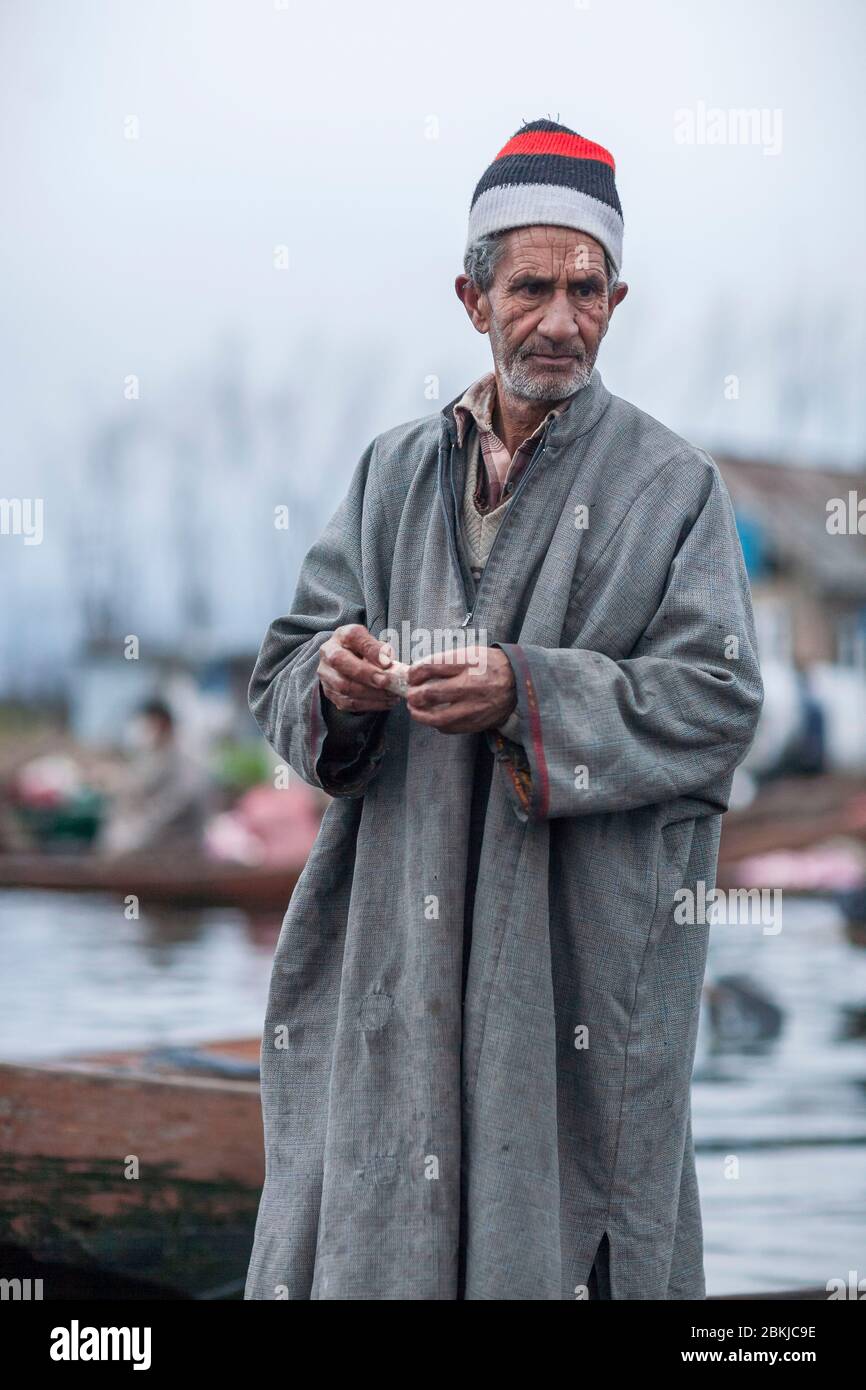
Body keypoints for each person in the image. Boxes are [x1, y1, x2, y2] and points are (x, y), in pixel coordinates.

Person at [244, 118, 764, 1301]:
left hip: (572, 953)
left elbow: (717, 698)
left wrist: (526, 692)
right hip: (397, 934)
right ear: (471, 296)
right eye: (530, 286)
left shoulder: (670, 487)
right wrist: (333, 681)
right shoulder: (390, 473)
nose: (560, 320)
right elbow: (281, 667)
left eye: (588, 289)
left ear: (617, 297)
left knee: (566, 1215)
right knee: (381, 1209)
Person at [97, 698, 211, 857]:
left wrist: (130, 839)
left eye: (148, 724)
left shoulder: (184, 762)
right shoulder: (151, 757)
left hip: (176, 850)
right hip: (150, 845)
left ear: (162, 724)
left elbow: (169, 810)